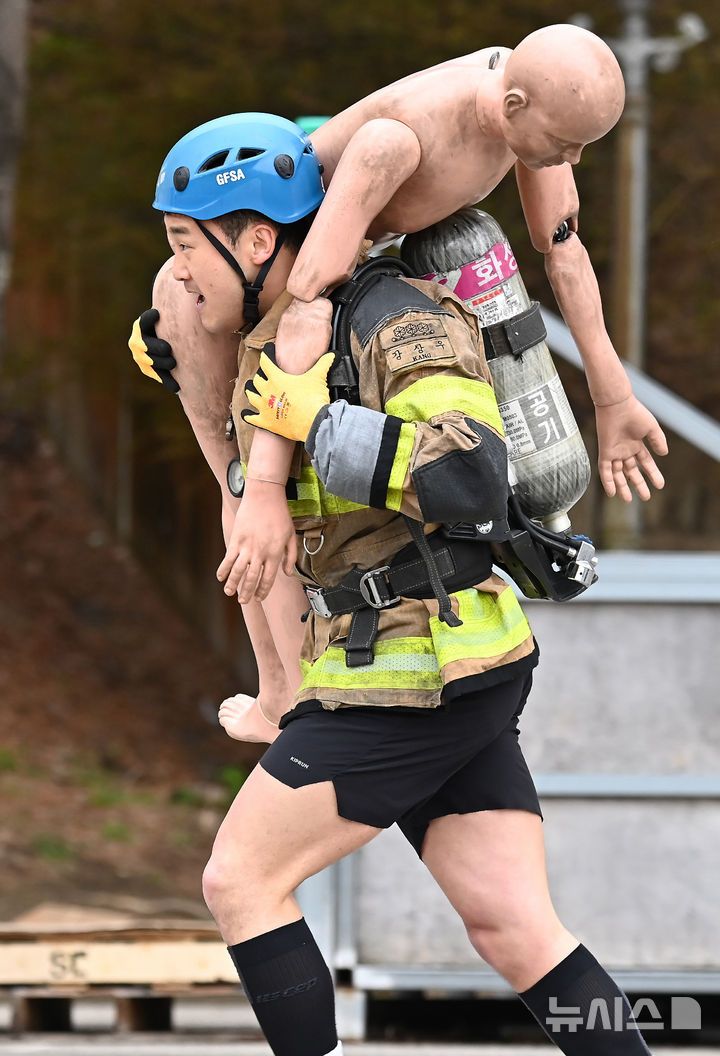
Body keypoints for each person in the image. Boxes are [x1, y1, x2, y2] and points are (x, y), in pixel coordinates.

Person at [149, 110, 655, 1056]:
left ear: (260, 240)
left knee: (240, 880)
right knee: (518, 930)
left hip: (413, 672)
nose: (176, 270)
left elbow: (468, 475)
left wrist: (320, 425)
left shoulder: (396, 319)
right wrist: (193, 369)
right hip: (444, 665)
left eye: (186, 247)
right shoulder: (288, 336)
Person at [212, 22, 667, 603]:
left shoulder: (521, 91)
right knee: (250, 510)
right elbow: (304, 301)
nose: (571, 159)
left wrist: (613, 396)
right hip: (281, 273)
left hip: (360, 289)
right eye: (563, 142)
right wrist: (267, 486)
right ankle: (274, 688)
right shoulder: (400, 139)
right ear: (514, 104)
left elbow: (563, 248)